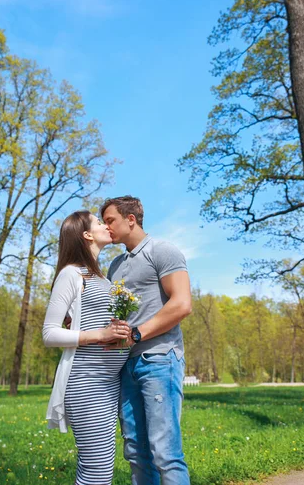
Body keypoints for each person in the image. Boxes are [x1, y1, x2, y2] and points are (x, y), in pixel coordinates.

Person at [101, 195, 192, 485]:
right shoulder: (114, 266)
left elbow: (181, 304)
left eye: (110, 220)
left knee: (165, 452)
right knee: (135, 451)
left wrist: (137, 334)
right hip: (126, 366)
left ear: (131, 219)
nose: (106, 227)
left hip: (159, 359)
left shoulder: (162, 250)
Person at [42, 210, 131, 485]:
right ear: (87, 234)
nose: (106, 225)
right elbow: (49, 333)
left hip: (110, 382)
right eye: (99, 222)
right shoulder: (71, 274)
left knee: (100, 467)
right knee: (97, 471)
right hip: (86, 381)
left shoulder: (102, 279)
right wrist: (100, 335)